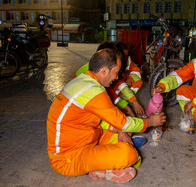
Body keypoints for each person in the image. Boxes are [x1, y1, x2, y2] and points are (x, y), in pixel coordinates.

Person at [47, 48, 166, 183]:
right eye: (115, 73)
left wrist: (119, 130)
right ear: (104, 71)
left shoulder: (83, 80)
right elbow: (124, 122)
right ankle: (105, 164)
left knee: (124, 133)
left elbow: (100, 120)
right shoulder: (94, 92)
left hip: (84, 138)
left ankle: (102, 164)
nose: (116, 77)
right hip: (67, 159)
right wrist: (149, 122)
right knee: (130, 154)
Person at [73, 41, 135, 117]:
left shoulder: (95, 71)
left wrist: (127, 107)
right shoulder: (89, 80)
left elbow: (110, 93)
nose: (117, 77)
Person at [112, 41, 145, 116]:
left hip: (120, 86)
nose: (126, 58)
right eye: (124, 56)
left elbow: (136, 71)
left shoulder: (127, 59)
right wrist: (133, 104)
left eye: (127, 55)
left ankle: (124, 99)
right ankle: (120, 102)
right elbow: (120, 84)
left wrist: (130, 79)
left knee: (137, 81)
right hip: (113, 91)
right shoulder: (113, 63)